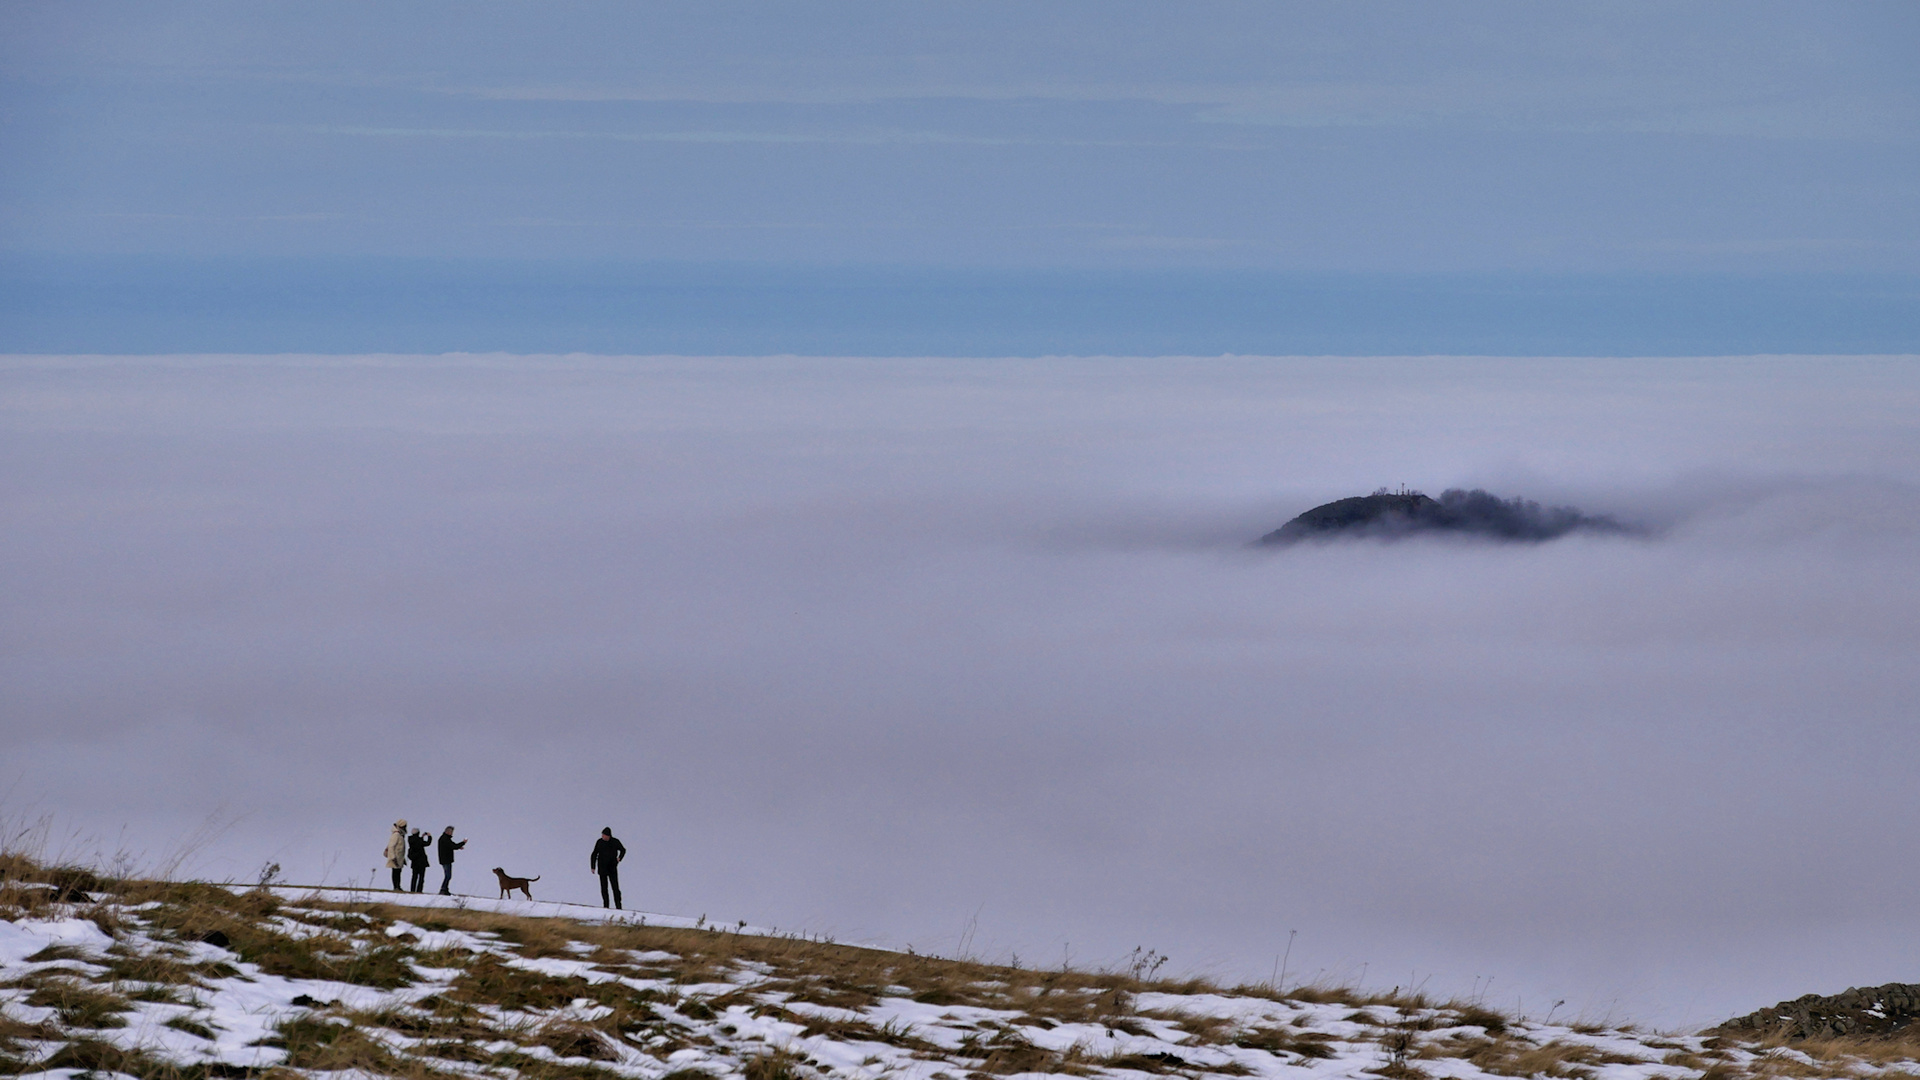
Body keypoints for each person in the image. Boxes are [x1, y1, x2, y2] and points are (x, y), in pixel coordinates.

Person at [590, 827, 626, 909]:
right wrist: (593, 866)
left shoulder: (615, 842)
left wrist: (619, 858)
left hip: (612, 868)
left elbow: (623, 850)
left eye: (604, 835)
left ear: (608, 836)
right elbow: (594, 854)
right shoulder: (599, 842)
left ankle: (618, 906)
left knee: (615, 888)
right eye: (602, 835)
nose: (603, 836)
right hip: (602, 868)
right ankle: (606, 906)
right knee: (604, 888)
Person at [437, 825, 466, 895]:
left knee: (448, 875)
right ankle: (443, 889)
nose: (452, 833)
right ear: (448, 832)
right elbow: (453, 846)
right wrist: (463, 842)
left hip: (445, 860)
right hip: (446, 860)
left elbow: (453, 845)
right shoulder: (445, 839)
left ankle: (445, 889)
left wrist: (459, 847)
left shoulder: (445, 838)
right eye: (451, 831)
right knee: (448, 875)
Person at [383, 820, 408, 891]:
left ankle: (398, 886)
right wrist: (393, 857)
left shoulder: (400, 835)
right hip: (396, 857)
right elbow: (391, 846)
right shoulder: (396, 835)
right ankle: (396, 886)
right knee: (395, 872)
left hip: (399, 857)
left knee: (398, 872)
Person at [407, 828, 431, 893]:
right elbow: (427, 843)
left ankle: (412, 890)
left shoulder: (410, 840)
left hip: (414, 861)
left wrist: (421, 838)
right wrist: (429, 836)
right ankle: (419, 890)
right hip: (421, 861)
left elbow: (417, 843)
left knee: (414, 877)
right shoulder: (419, 840)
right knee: (421, 877)